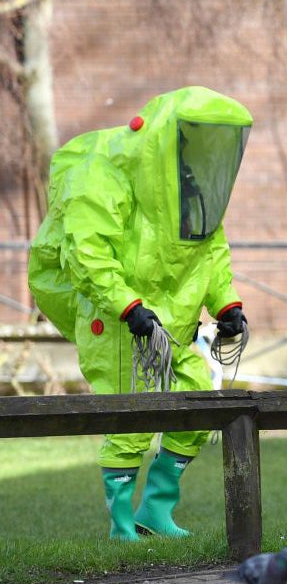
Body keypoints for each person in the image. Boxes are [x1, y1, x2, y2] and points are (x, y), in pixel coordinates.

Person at [27, 86, 253, 540]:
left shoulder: (193, 186)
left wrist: (226, 304)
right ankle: (121, 525)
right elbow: (86, 253)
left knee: (198, 401)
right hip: (116, 321)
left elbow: (210, 251)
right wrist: (126, 306)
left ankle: (155, 509)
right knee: (132, 415)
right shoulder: (104, 175)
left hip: (168, 321)